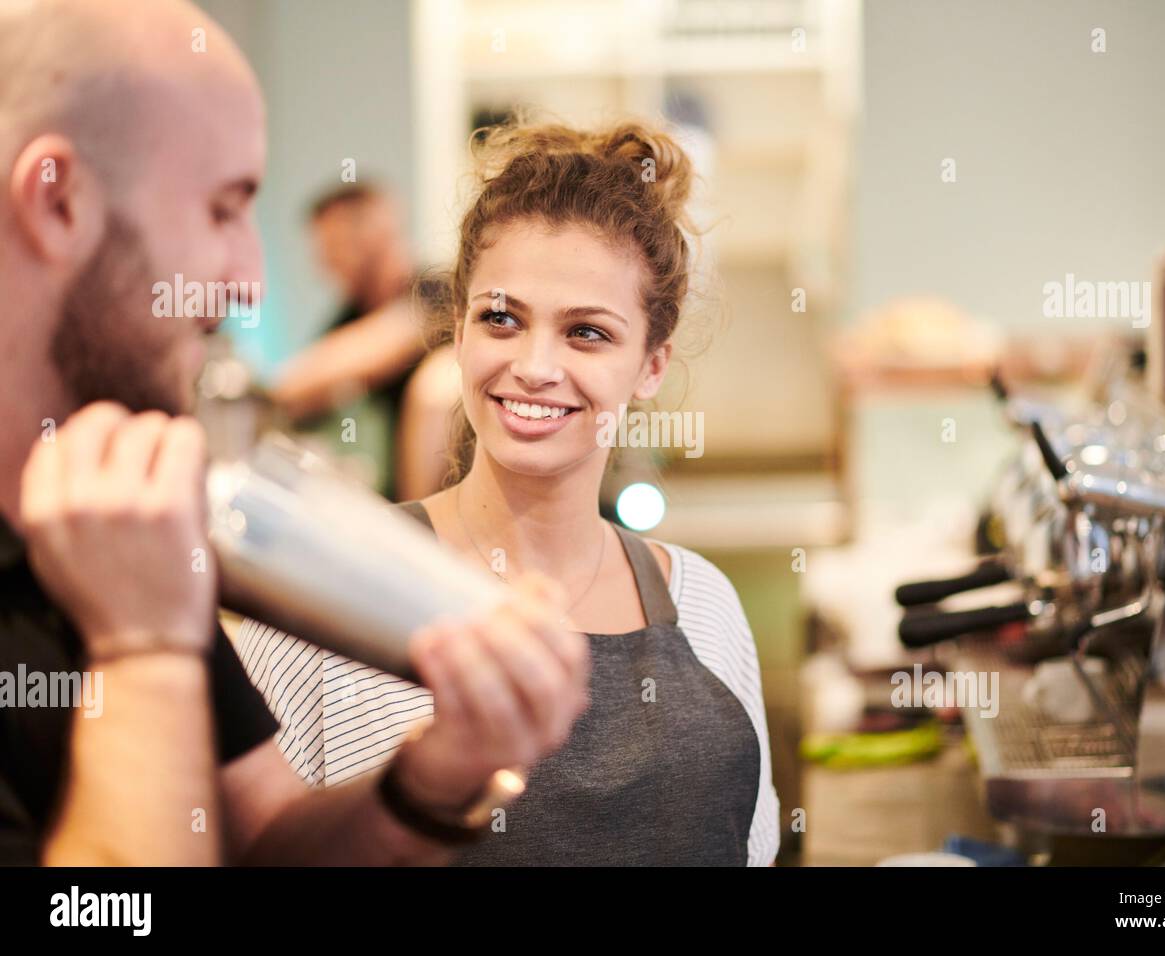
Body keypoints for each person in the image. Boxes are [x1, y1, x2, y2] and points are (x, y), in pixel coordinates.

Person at [0, 0, 588, 866]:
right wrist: (142, 654)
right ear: (58, 203)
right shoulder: (141, 584)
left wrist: (433, 782)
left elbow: (263, 836)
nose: (249, 283)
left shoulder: (122, 524)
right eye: (222, 210)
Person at [238, 119, 781, 865]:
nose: (534, 366)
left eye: (587, 333)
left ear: (652, 364)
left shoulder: (706, 603)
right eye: (501, 318)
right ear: (458, 329)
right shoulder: (322, 609)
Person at [271, 183, 431, 500]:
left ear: (375, 234)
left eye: (334, 246)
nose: (325, 264)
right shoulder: (351, 312)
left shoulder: (433, 292)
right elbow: (298, 384)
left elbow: (376, 349)